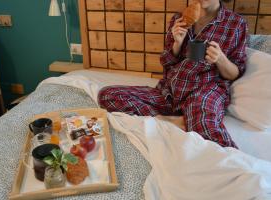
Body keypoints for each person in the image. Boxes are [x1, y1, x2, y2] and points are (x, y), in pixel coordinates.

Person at [98, 0, 248, 148]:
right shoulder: (180, 19)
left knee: (205, 127)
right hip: (169, 92)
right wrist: (177, 42)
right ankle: (169, 120)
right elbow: (167, 63)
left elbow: (235, 73)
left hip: (203, 92)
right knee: (107, 95)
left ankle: (232, 164)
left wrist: (220, 59)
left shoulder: (236, 23)